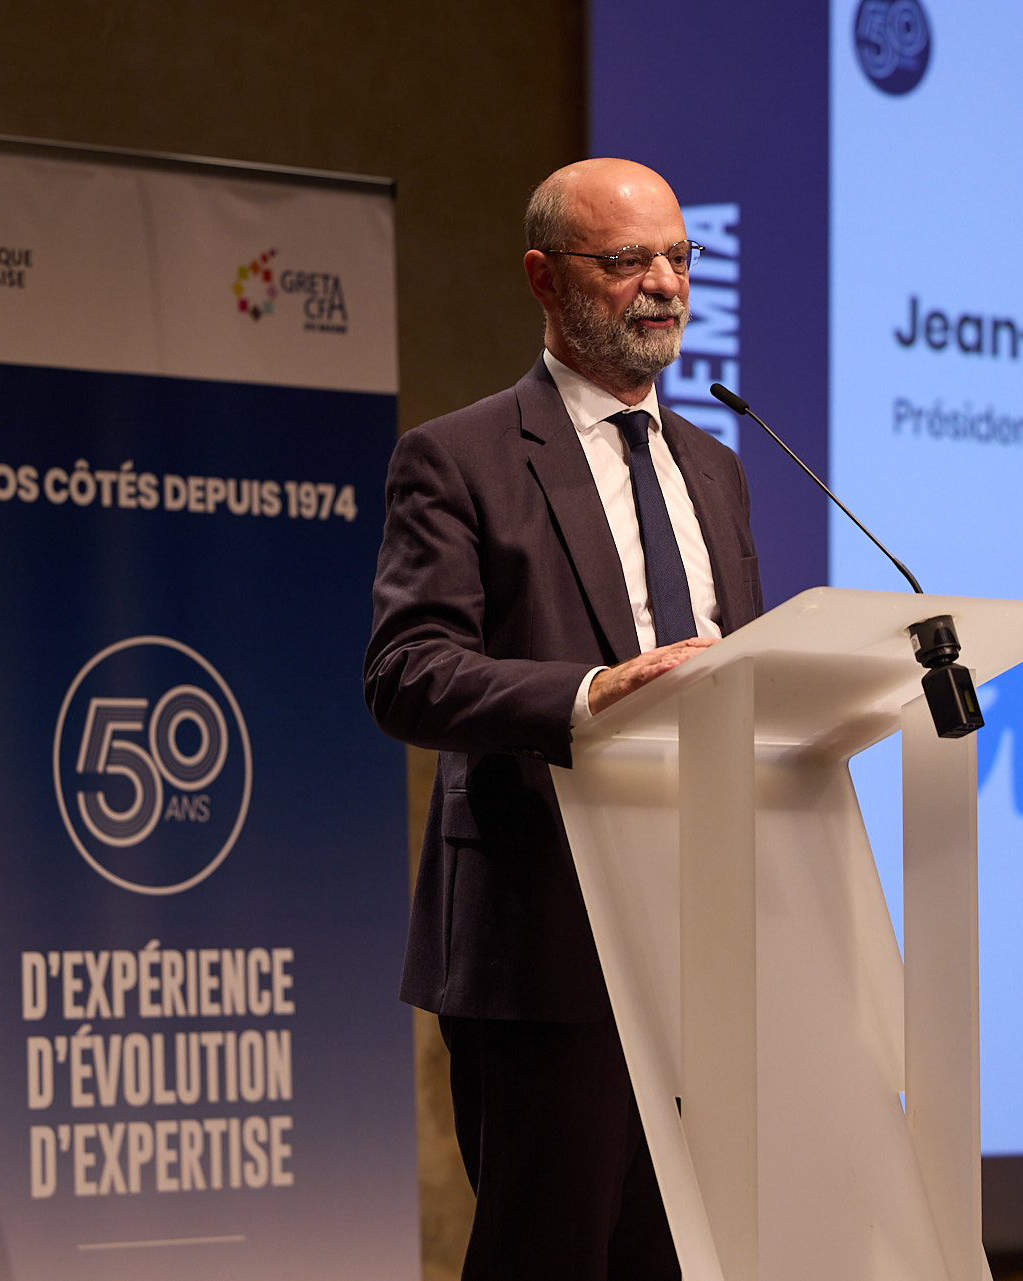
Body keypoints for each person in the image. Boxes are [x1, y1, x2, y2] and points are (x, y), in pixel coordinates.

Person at [364, 158, 762, 1281]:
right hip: (546, 936)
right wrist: (588, 695)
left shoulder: (717, 468)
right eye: (626, 260)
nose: (664, 284)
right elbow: (407, 671)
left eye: (678, 256)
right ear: (545, 278)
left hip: (708, 938)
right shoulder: (461, 457)